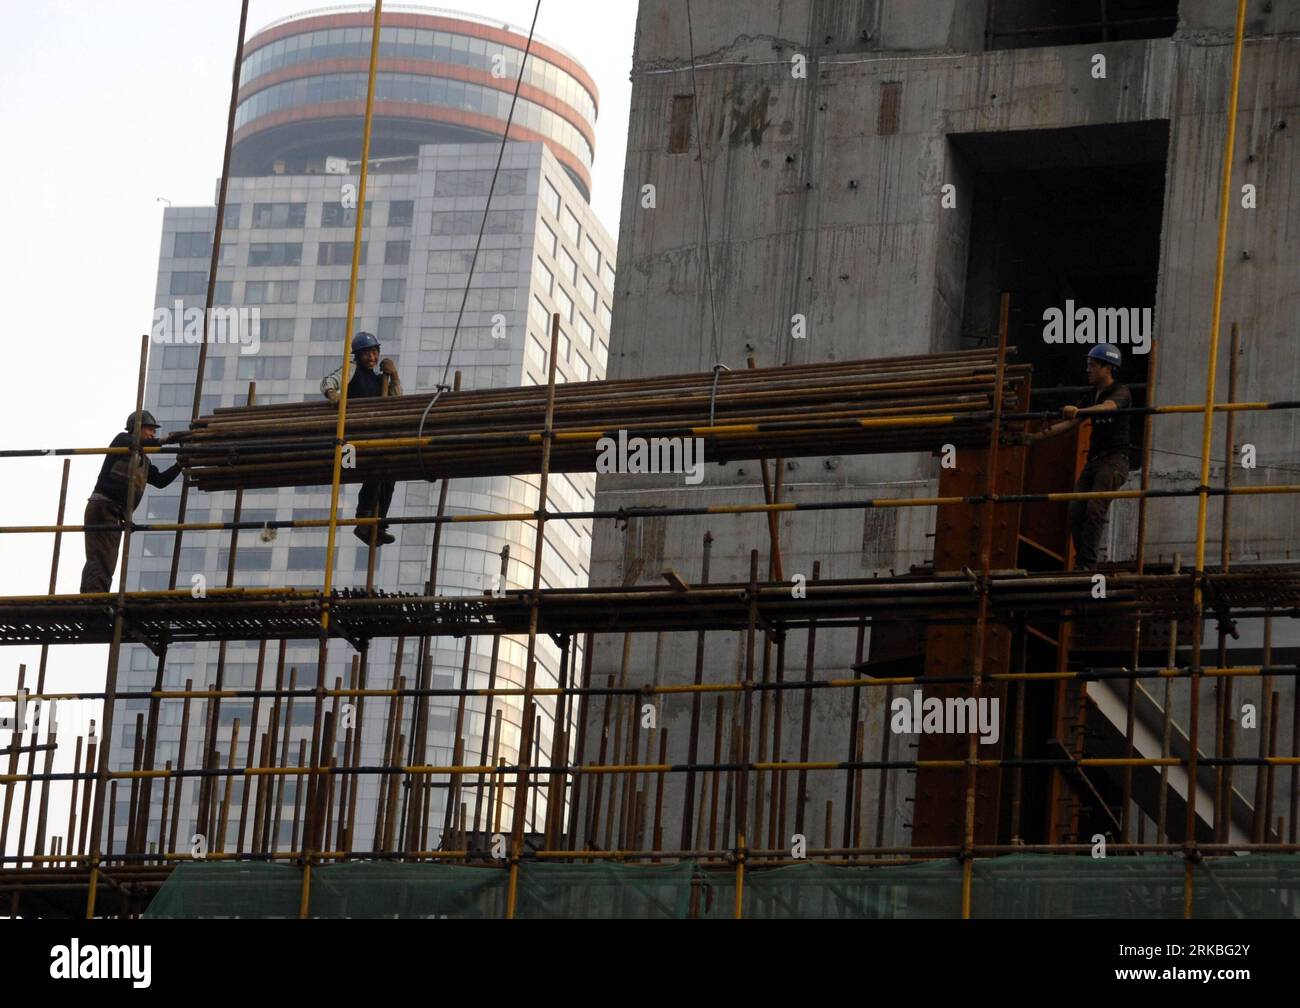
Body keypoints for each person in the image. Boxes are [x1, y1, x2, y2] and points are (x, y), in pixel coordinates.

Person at [1028, 344, 1132, 569]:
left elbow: (1109, 407)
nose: (1088, 370)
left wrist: (1080, 412)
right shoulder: (1090, 395)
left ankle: (1086, 564)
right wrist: (1035, 437)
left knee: (1095, 507)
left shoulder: (1120, 391)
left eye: (1092, 365)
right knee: (1076, 509)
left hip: (1114, 460)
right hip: (1094, 461)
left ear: (1107, 367)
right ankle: (1083, 561)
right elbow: (1070, 423)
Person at [80, 410, 183, 593]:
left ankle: (92, 597)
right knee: (102, 558)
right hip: (103, 508)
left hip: (114, 513)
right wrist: (166, 441)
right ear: (136, 428)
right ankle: (94, 599)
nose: (153, 434)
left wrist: (180, 464)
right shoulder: (122, 441)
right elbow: (136, 443)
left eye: (154, 431)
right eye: (149, 430)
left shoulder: (144, 461)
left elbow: (159, 481)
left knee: (104, 558)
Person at [320, 330, 403, 546]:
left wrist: (394, 377)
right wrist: (333, 395)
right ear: (358, 355)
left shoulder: (379, 382)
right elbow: (328, 382)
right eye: (367, 353)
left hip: (371, 442)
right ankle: (364, 518)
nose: (373, 357)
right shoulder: (352, 370)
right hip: (349, 447)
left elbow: (396, 404)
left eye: (375, 352)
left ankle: (378, 523)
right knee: (378, 465)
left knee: (389, 473)